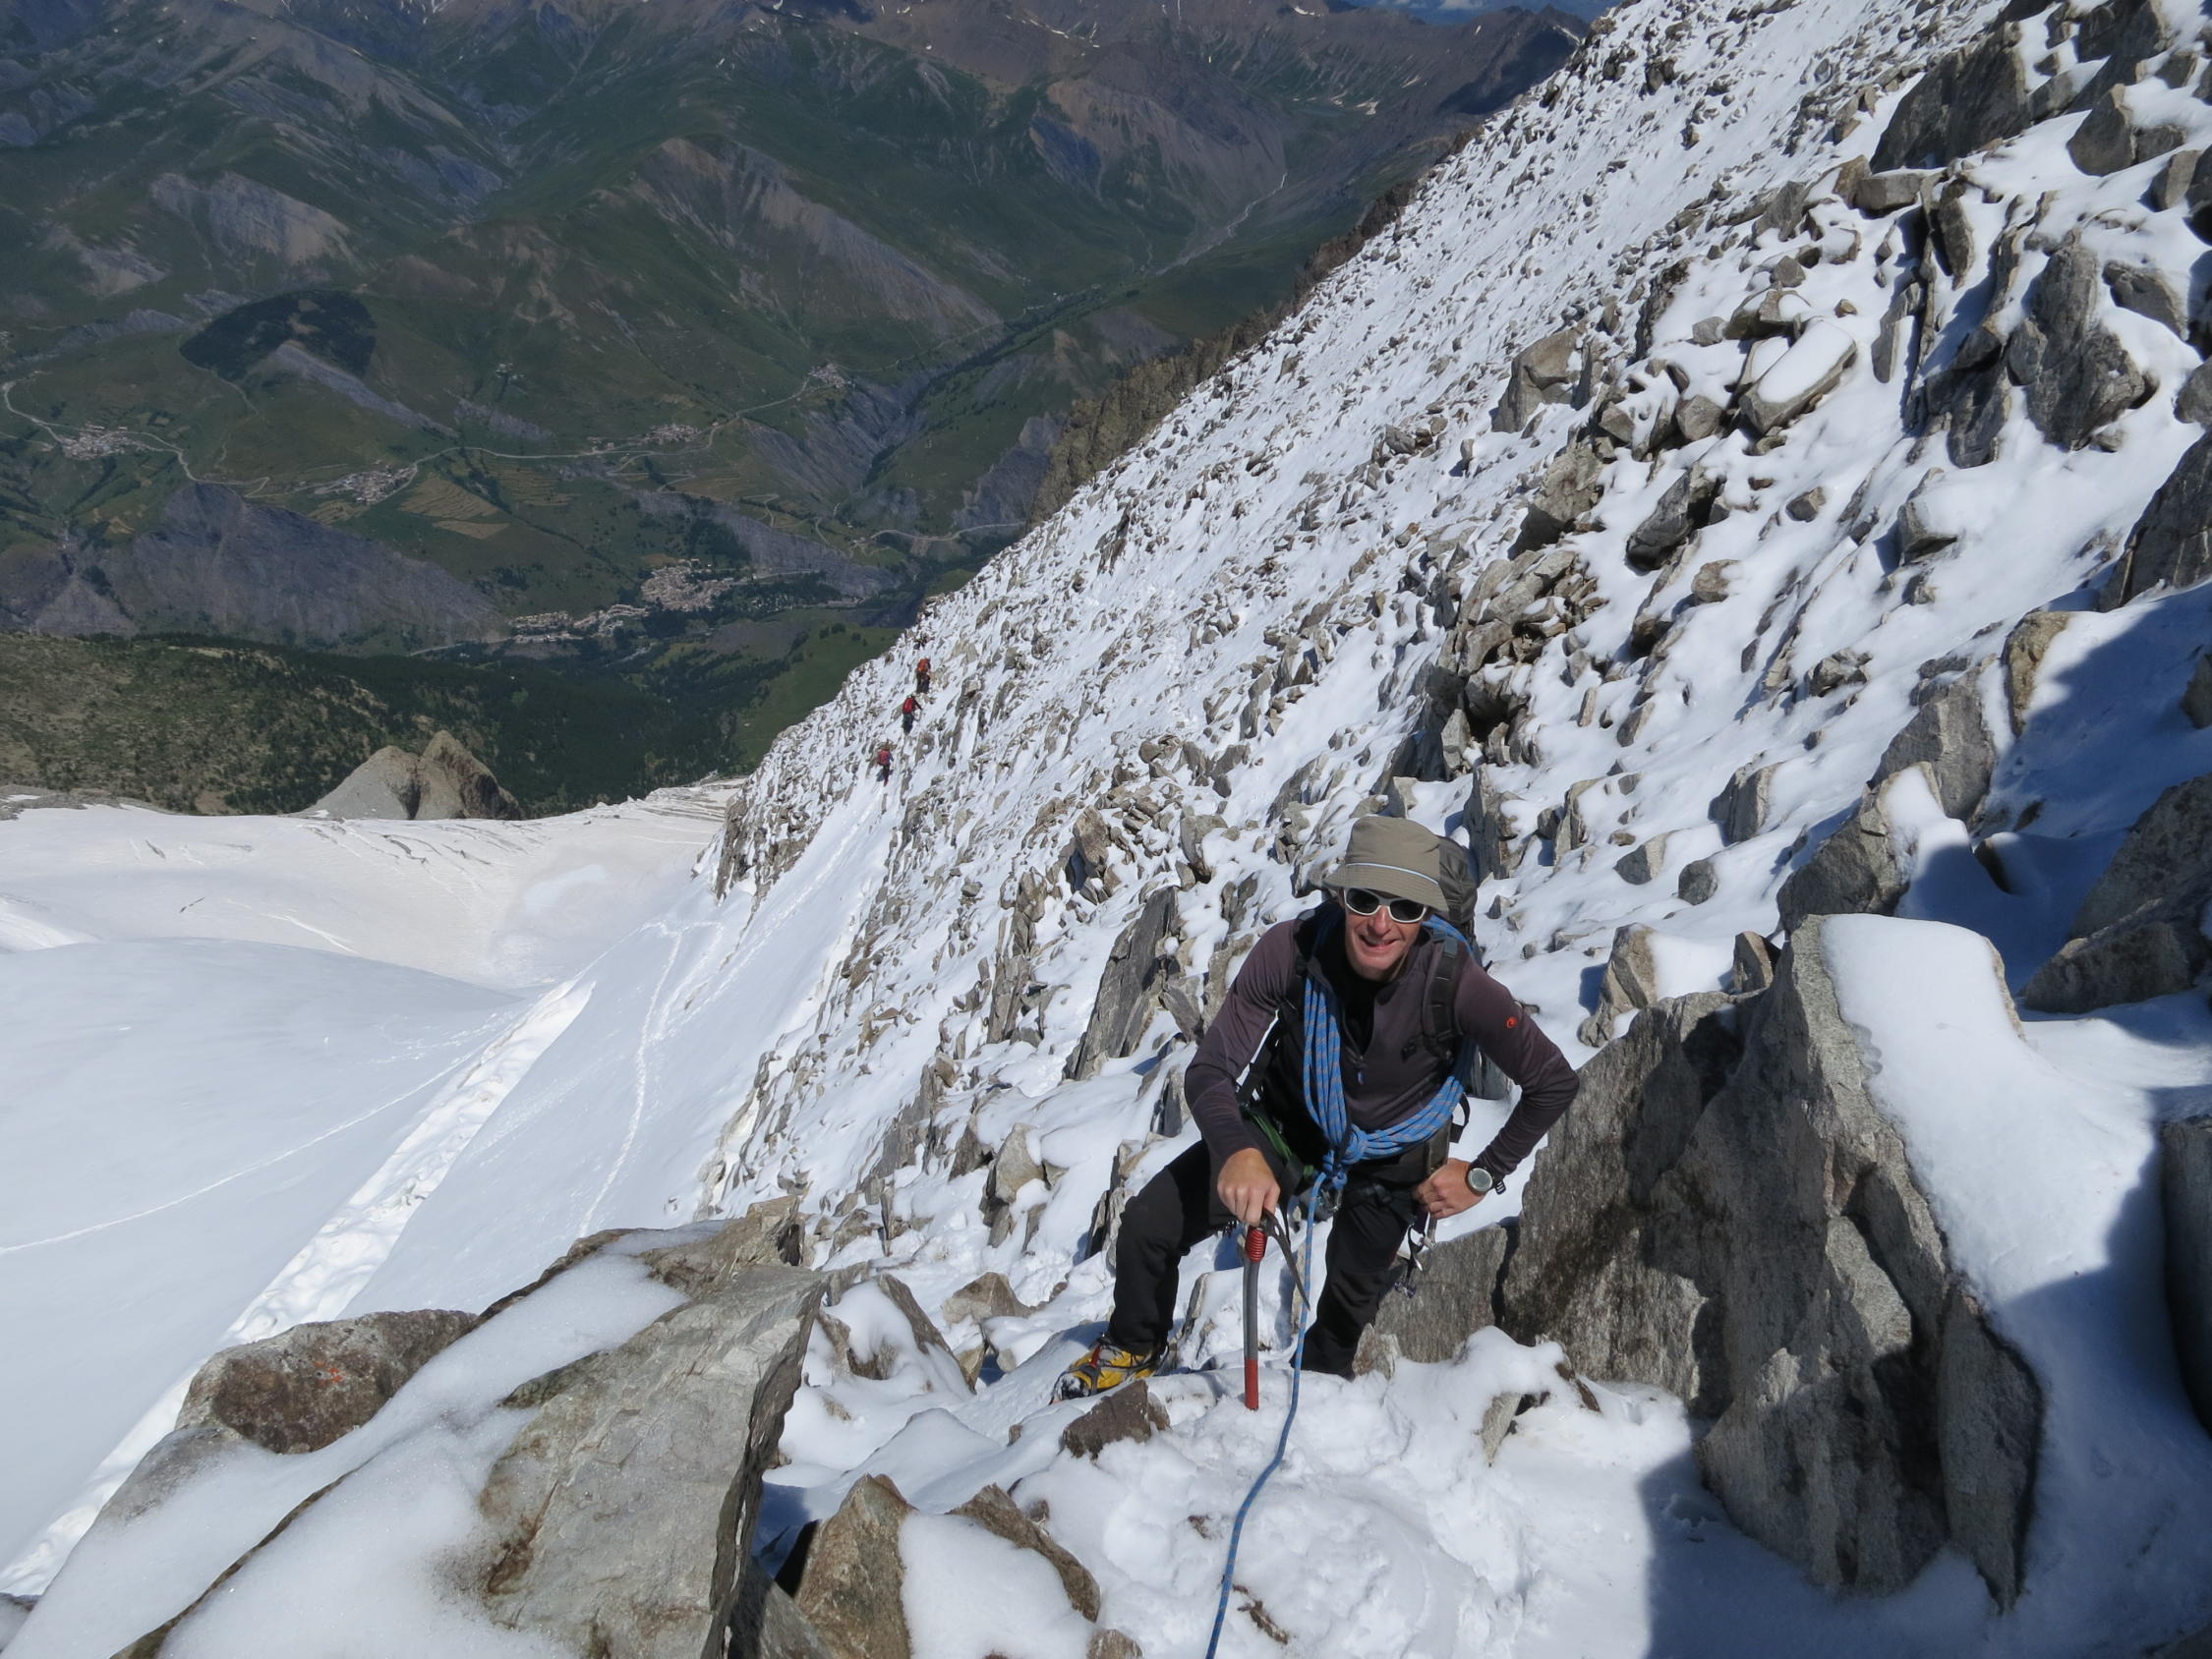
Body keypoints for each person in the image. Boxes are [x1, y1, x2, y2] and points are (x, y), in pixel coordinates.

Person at [1058, 815, 1578, 1396]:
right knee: (1149, 1226)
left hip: (1392, 1155)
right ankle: (1134, 1346)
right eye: (1364, 900)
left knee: (1347, 1305)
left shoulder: (1456, 983)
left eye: (1405, 908)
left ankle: (1317, 1393)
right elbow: (1211, 1068)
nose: (1381, 924)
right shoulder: (1293, 950)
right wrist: (1235, 1151)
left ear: (1426, 916)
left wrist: (1481, 1175)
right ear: (1340, 897)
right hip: (1290, 1125)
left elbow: (1553, 1081)